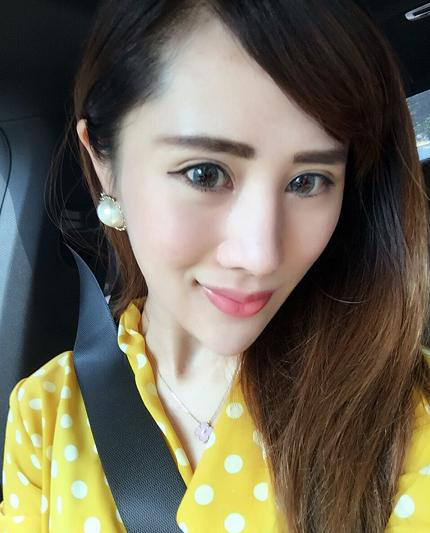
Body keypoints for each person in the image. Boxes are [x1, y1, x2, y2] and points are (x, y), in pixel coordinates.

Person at [1, 0, 430, 531]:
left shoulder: (404, 415)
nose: (261, 256)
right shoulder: (45, 414)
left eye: (308, 181)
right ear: (104, 165)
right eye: (204, 173)